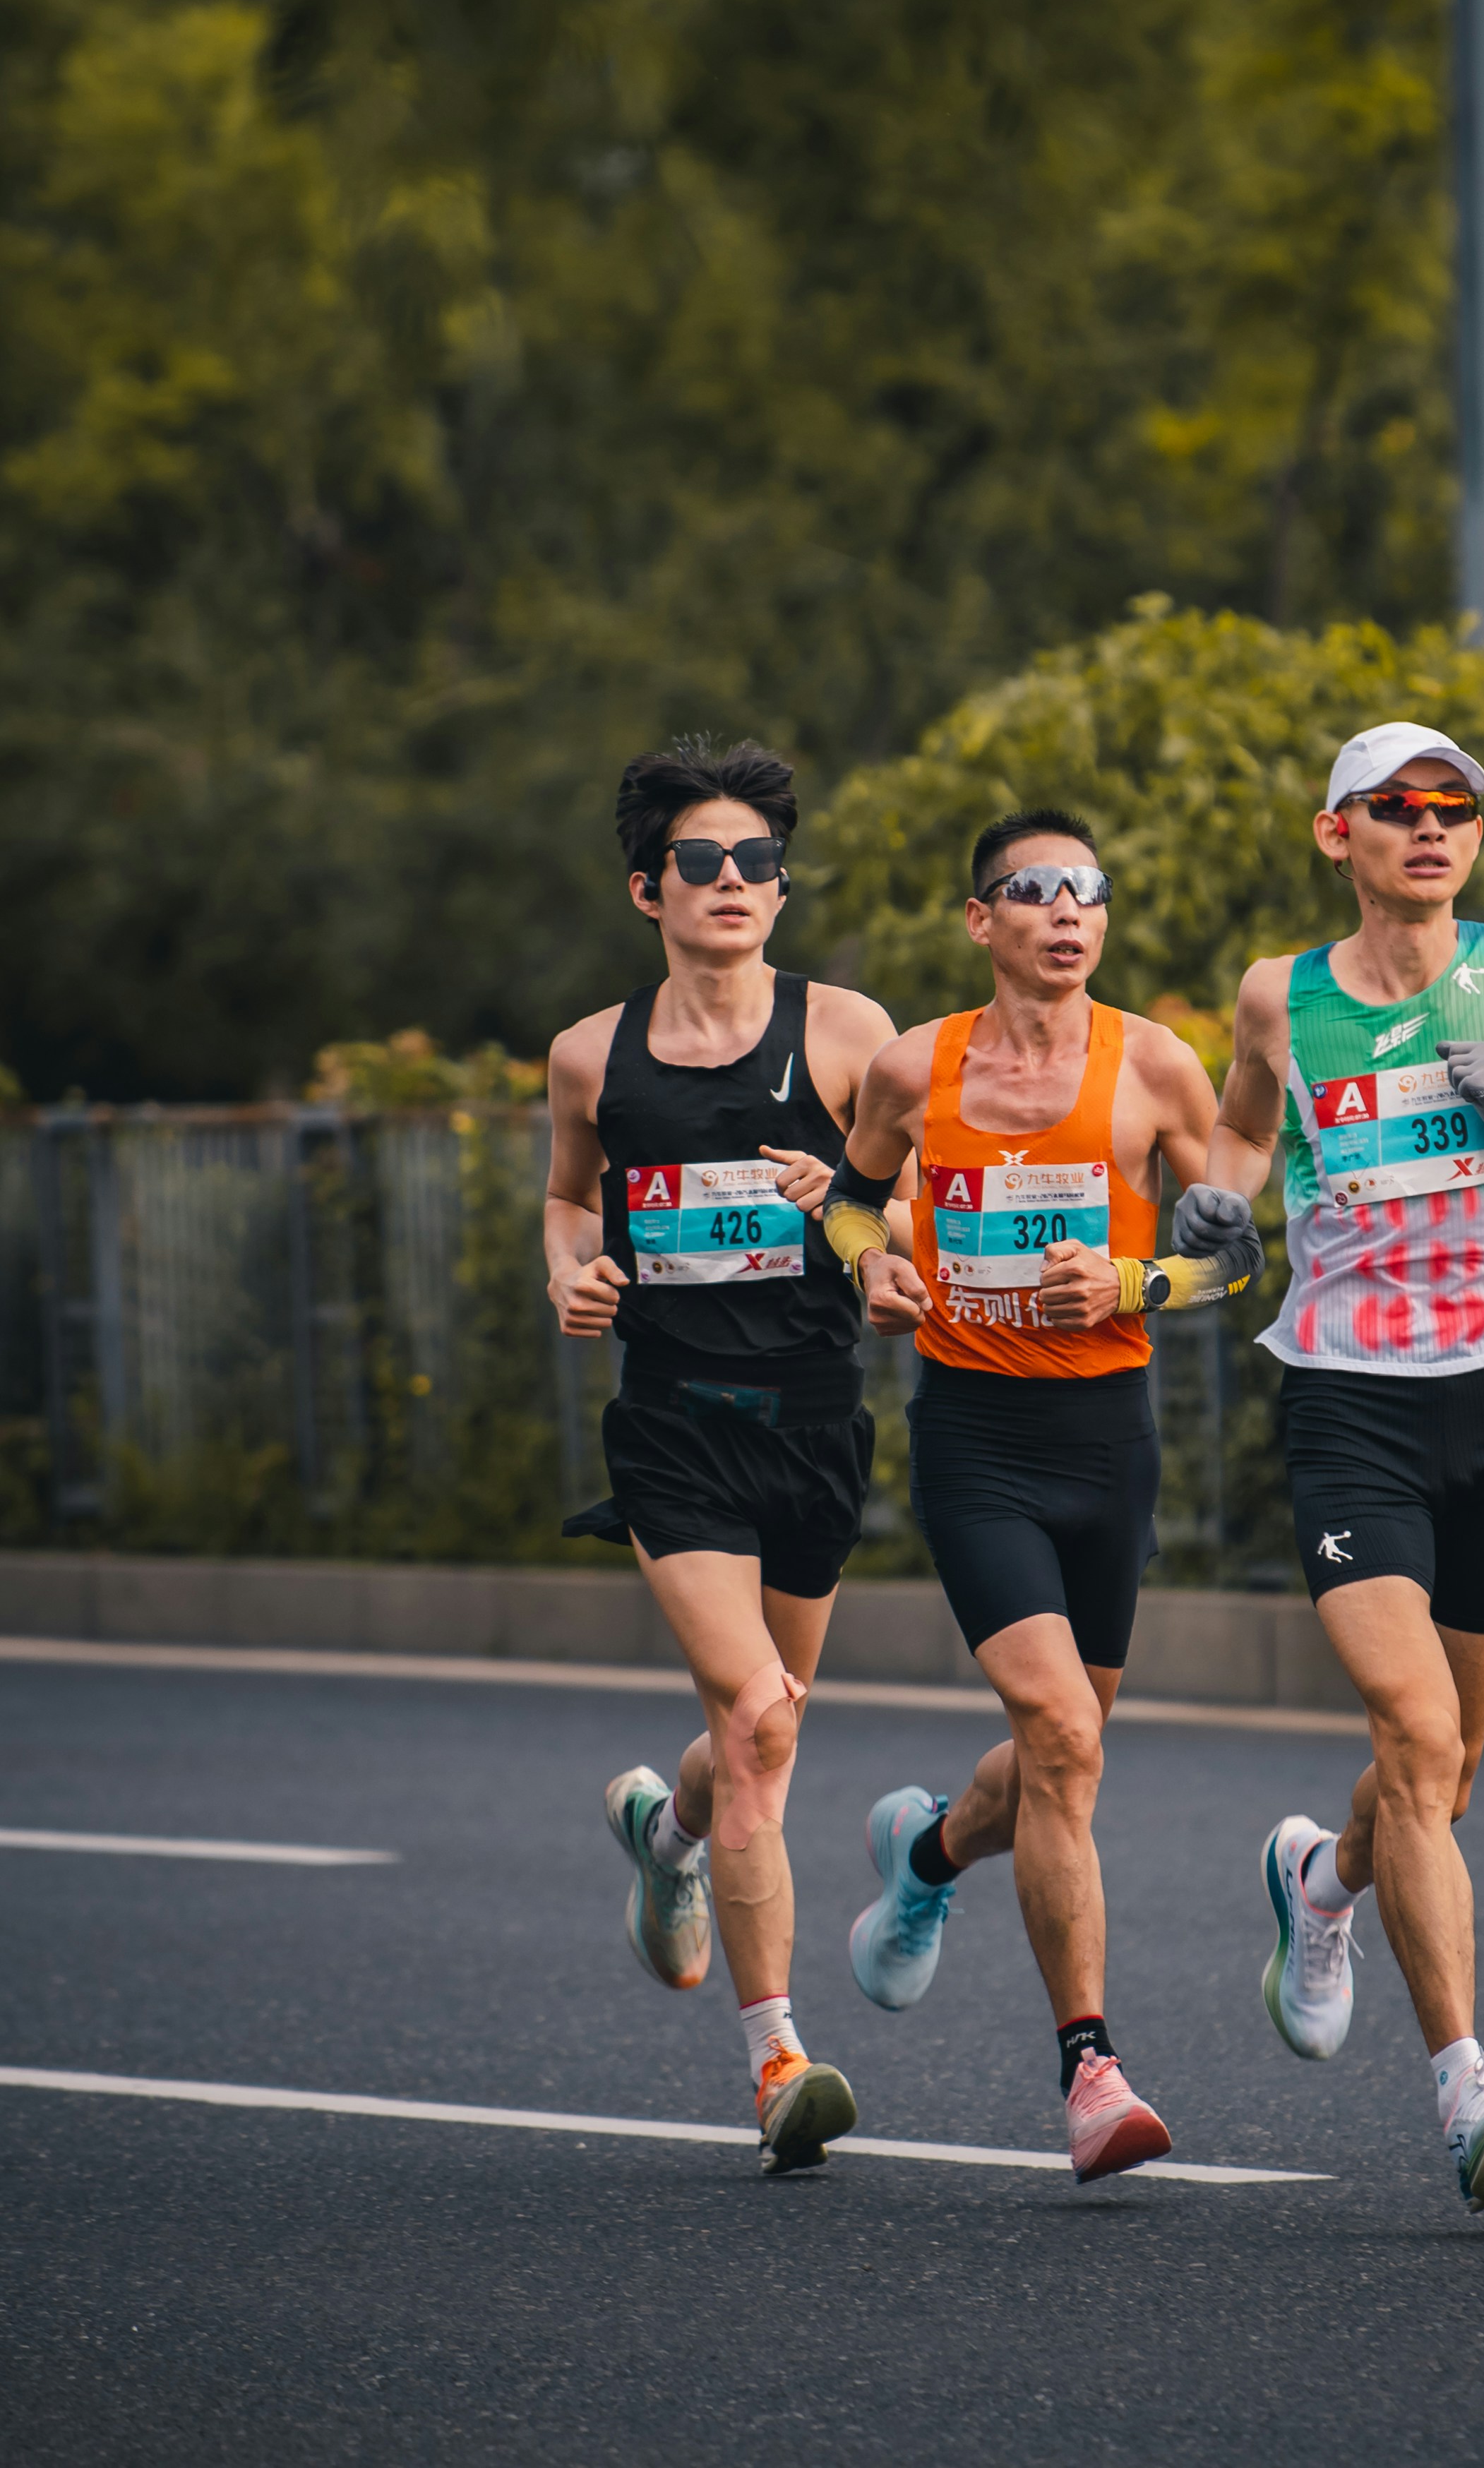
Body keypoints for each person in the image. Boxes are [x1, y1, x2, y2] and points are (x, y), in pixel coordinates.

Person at [1185, 721, 1484, 2210]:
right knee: (1413, 1728)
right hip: (1349, 1406)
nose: (1431, 829)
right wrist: (1215, 1201)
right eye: (1397, 808)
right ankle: (1467, 2086)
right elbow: (1245, 1134)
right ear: (1339, 835)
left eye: (1454, 808)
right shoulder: (1282, 994)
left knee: (1440, 1779)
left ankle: (1320, 1882)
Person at [816, 810, 1259, 2184]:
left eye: (1090, 894)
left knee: (1066, 1757)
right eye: (1035, 891)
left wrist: (1134, 1283)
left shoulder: (1159, 1068)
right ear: (980, 921)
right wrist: (870, 1271)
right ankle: (1090, 2072)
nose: (1068, 914)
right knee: (1063, 1735)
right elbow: (846, 1203)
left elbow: (1234, 1262)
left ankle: (931, 1852)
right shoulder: (911, 1068)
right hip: (974, 1439)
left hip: (1104, 1443)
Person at [543, 734, 914, 2176]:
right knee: (756, 1714)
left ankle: (669, 1833)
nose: (735, 883)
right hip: (676, 1423)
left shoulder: (845, 1035)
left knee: (767, 1734)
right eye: (704, 861)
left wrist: (858, 1228)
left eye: (759, 860)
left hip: (814, 1421)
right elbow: (572, 1206)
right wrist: (571, 1279)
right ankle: (776, 2061)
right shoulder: (593, 1053)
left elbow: (903, 1220)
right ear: (649, 888)